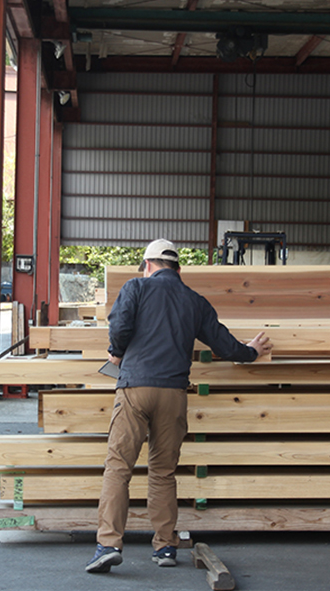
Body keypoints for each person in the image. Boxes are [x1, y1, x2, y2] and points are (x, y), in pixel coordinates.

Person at [86, 239, 272, 573]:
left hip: (135, 388)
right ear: (178, 269)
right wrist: (251, 351)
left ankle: (108, 545)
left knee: (118, 468)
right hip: (173, 393)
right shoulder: (194, 301)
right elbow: (225, 345)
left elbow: (120, 326)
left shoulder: (136, 288)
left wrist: (116, 351)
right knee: (162, 471)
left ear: (147, 265)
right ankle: (165, 547)